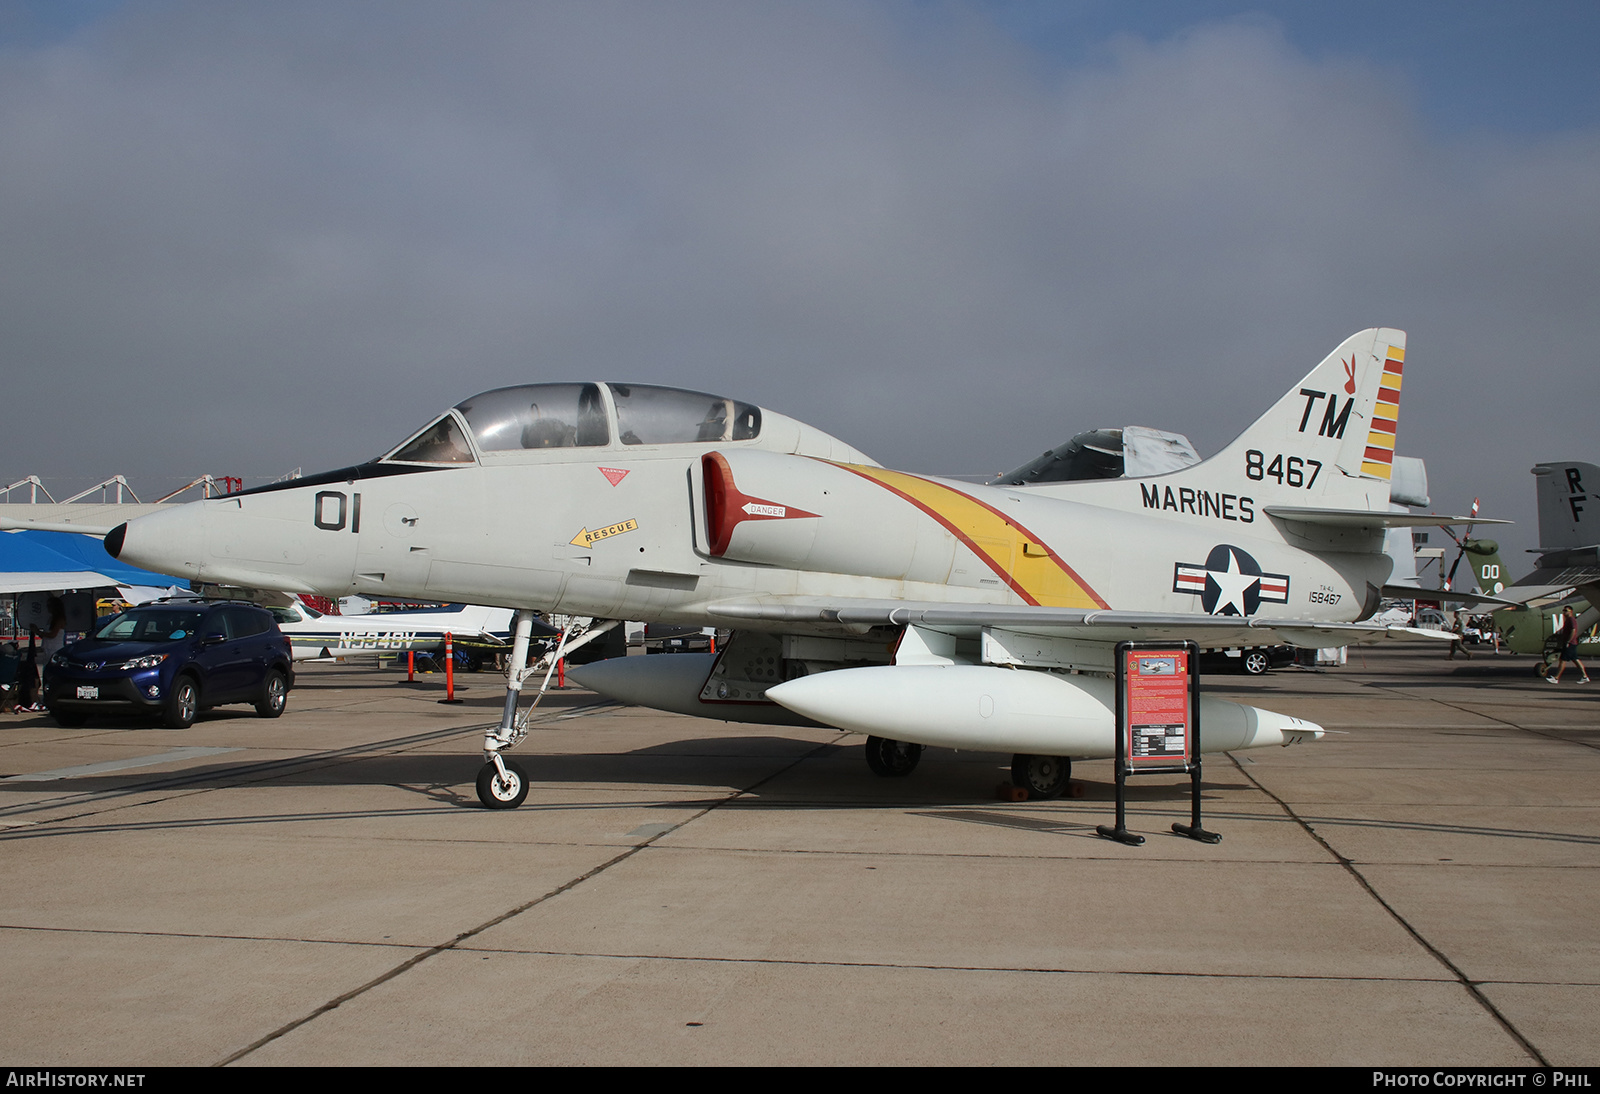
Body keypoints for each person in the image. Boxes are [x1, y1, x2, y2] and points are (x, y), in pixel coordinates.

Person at [1548, 605, 1590, 684]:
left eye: (1566, 610)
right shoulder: (1568, 620)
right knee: (1576, 660)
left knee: (1562, 661)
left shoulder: (1571, 619)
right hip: (1571, 643)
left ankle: (1556, 678)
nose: (1564, 612)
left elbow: (1573, 630)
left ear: (1571, 611)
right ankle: (1585, 676)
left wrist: (1568, 641)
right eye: (1563, 610)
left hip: (1570, 644)